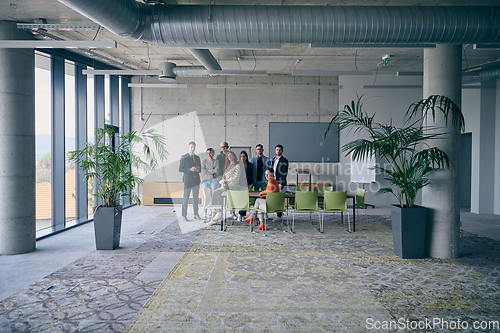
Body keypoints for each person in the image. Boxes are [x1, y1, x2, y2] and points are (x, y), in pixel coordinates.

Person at [210, 151, 243, 223]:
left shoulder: (237, 165)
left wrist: (225, 181)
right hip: (226, 184)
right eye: (228, 156)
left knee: (218, 191)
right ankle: (213, 218)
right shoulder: (227, 166)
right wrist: (222, 183)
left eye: (231, 155)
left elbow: (235, 178)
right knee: (215, 193)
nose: (230, 157)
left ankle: (218, 213)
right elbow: (224, 176)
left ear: (234, 156)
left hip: (234, 184)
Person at [179, 141, 202, 221]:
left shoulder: (197, 158)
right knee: (186, 198)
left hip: (196, 180)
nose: (193, 149)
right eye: (191, 147)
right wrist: (189, 169)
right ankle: (184, 215)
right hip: (188, 180)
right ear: (188, 147)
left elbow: (200, 170)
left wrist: (197, 169)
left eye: (194, 147)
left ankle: (196, 214)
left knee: (195, 198)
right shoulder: (184, 157)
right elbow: (180, 169)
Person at [201, 148, 219, 222]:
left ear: (213, 153)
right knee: (206, 197)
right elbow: (203, 170)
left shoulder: (216, 161)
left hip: (213, 180)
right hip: (205, 180)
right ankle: (205, 215)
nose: (209, 154)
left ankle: (210, 215)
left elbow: (217, 170)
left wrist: (210, 170)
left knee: (212, 197)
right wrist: (212, 171)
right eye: (208, 153)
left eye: (210, 153)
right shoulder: (204, 161)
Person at [272, 144, 289, 221]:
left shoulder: (284, 160)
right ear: (275, 151)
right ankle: (277, 214)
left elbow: (284, 173)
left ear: (282, 151)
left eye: (279, 150)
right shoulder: (273, 160)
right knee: (274, 199)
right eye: (277, 149)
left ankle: (279, 216)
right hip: (273, 182)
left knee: (279, 199)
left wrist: (280, 184)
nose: (278, 151)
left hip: (280, 183)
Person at [238, 150, 254, 221]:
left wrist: (250, 184)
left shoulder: (250, 165)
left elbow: (251, 175)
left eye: (244, 156)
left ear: (246, 157)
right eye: (241, 156)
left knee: (245, 200)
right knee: (240, 200)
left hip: (247, 184)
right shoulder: (238, 164)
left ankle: (243, 214)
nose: (243, 157)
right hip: (239, 185)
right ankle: (239, 214)